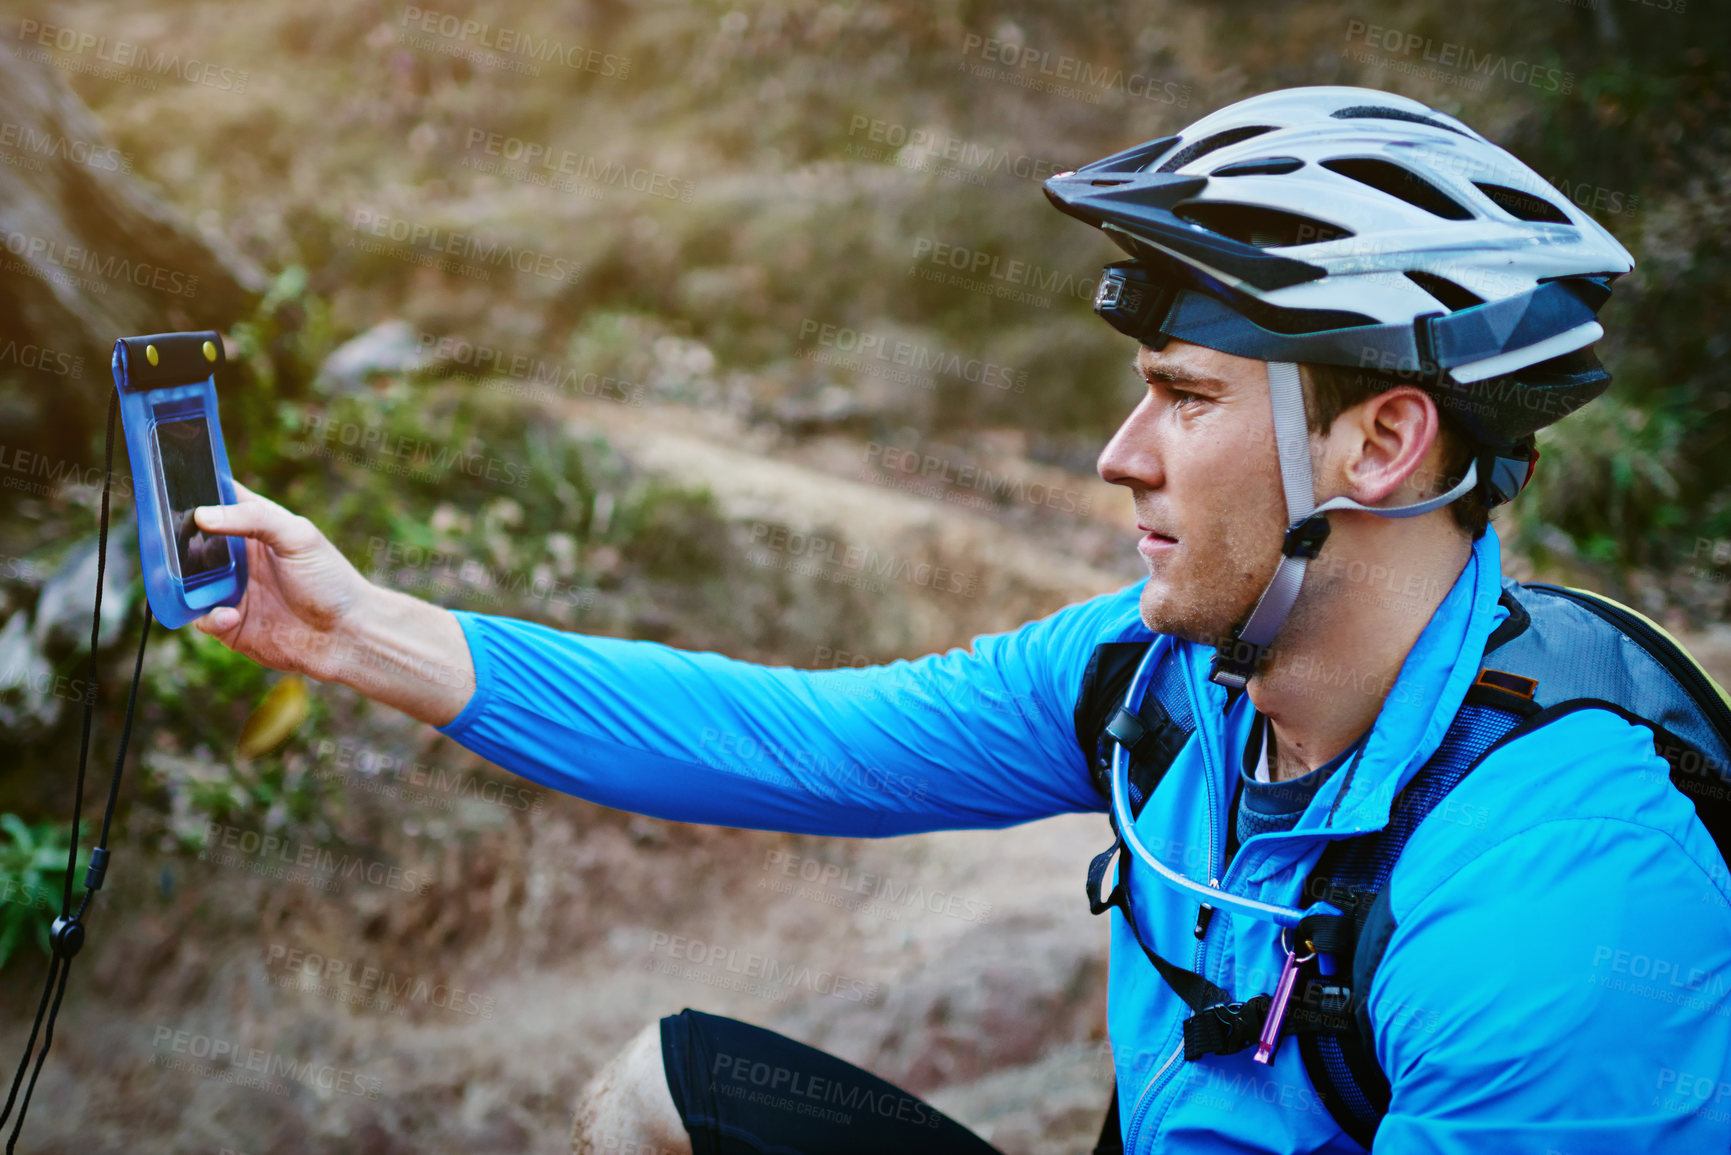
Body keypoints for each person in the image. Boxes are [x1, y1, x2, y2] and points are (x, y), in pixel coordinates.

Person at [192, 87, 1731, 1154]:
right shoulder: (1162, 684)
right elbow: (788, 739)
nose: (1120, 459)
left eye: (1185, 401)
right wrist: (352, 633)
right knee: (665, 1096)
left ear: (1381, 445)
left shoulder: (1561, 900)